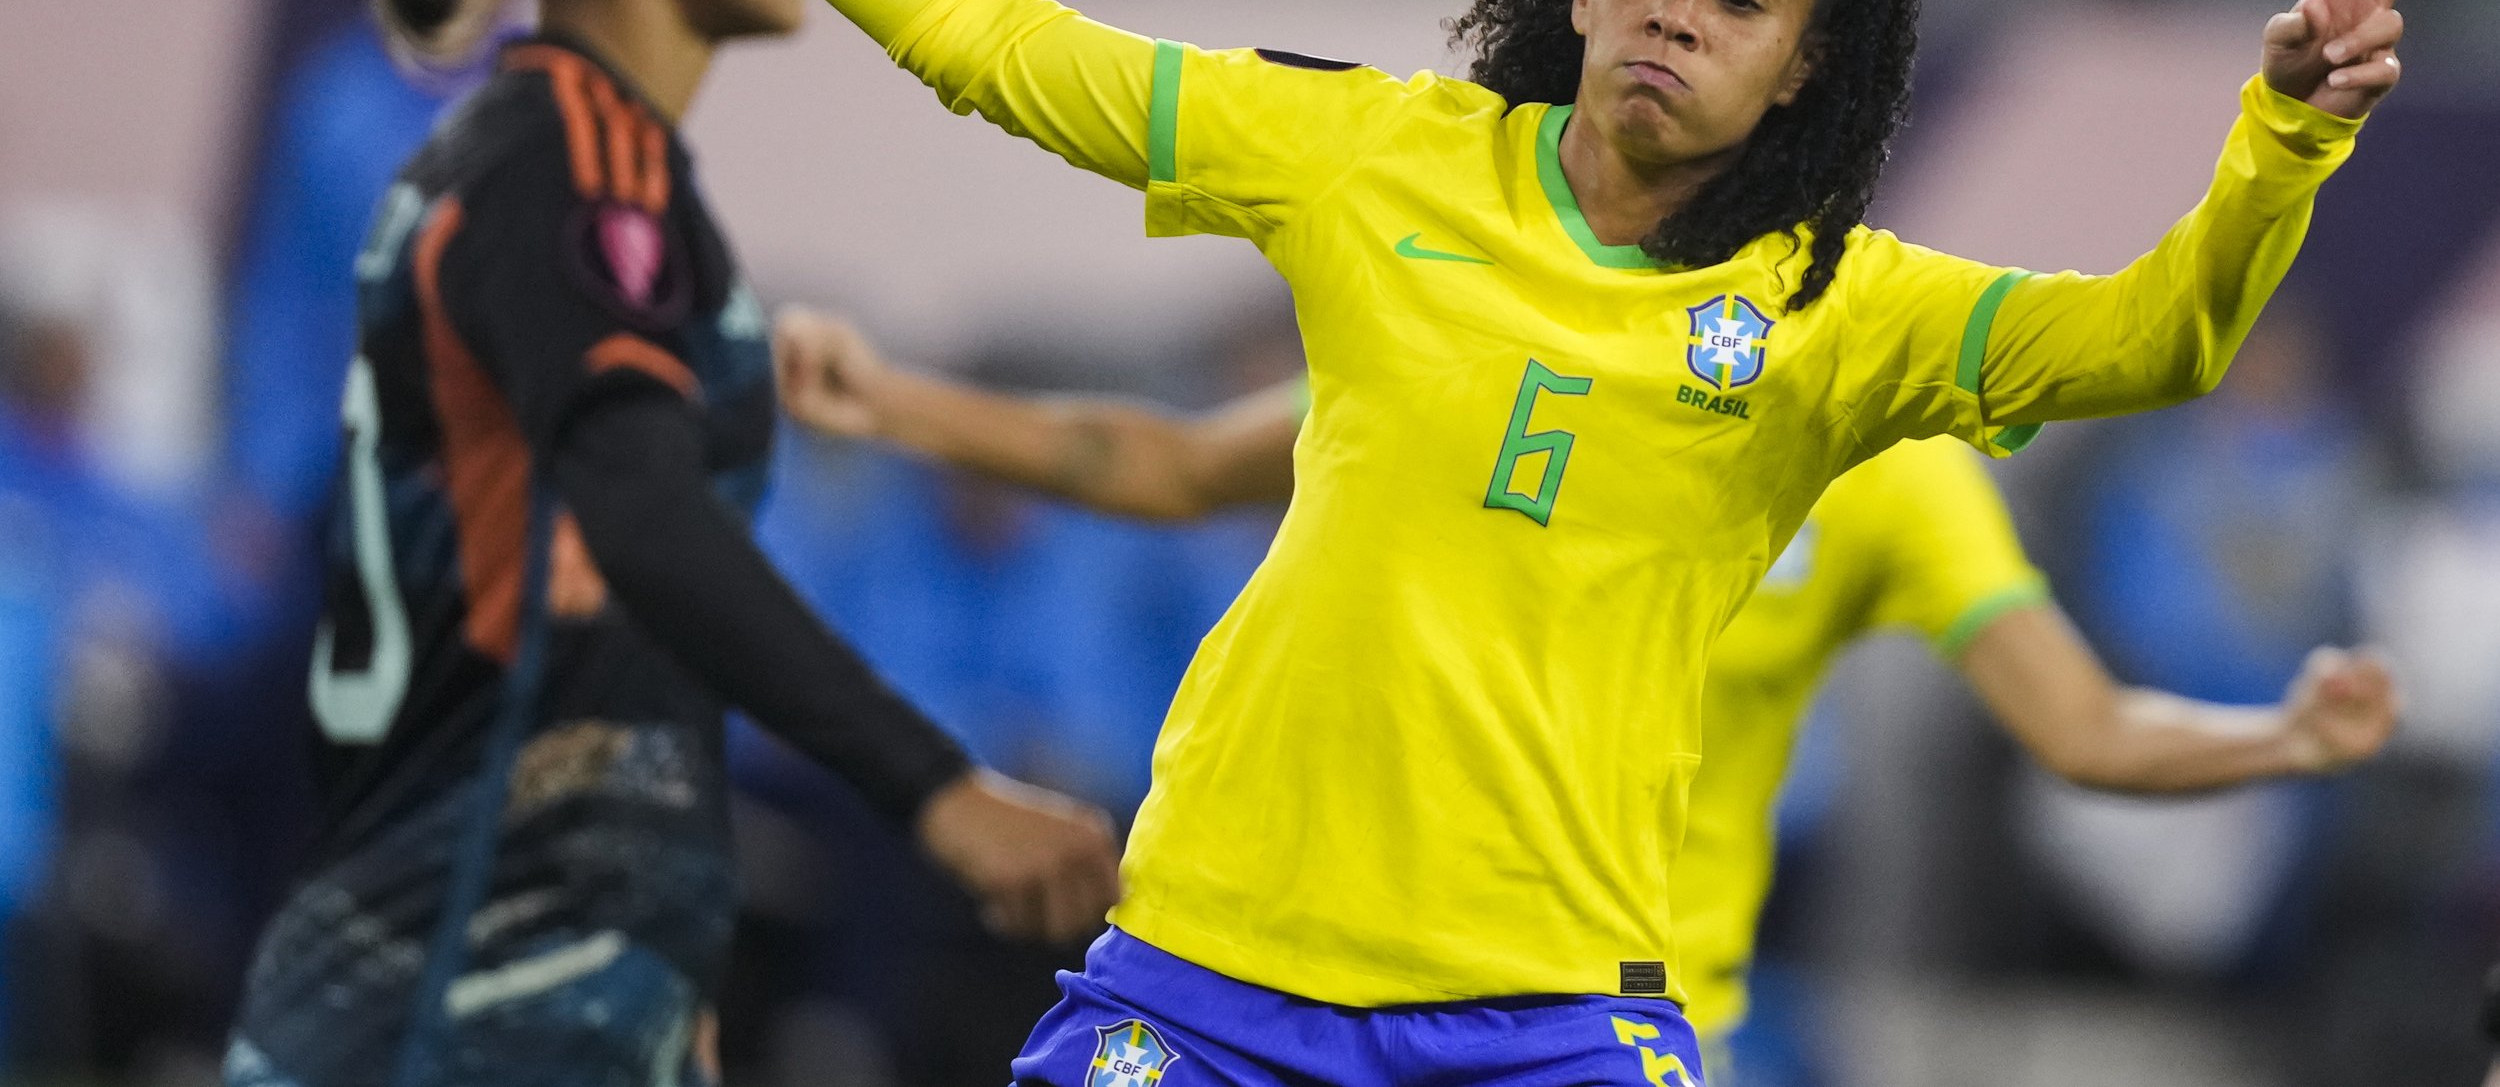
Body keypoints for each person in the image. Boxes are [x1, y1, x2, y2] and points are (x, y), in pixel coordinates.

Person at [510, 0, 2453, 1087]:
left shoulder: (1837, 315)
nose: (1674, 8)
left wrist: (2274, 135)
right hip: (1210, 970)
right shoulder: (1380, 156)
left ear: (1806, 72)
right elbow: (1015, 54)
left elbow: (2147, 341)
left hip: (1538, 1017)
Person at [222, 0, 1120, 1087]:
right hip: (470, 957)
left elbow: (592, 597)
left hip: (543, 937)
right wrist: (937, 788)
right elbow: (644, 525)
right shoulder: (565, 176)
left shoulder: (610, 174)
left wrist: (662, 930)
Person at [772, 311, 2401, 1069]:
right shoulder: (1498, 334)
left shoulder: (1890, 474)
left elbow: (2088, 723)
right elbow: (1181, 460)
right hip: (1345, 969)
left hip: (1625, 1017)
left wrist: (2278, 733)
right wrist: (906, 402)